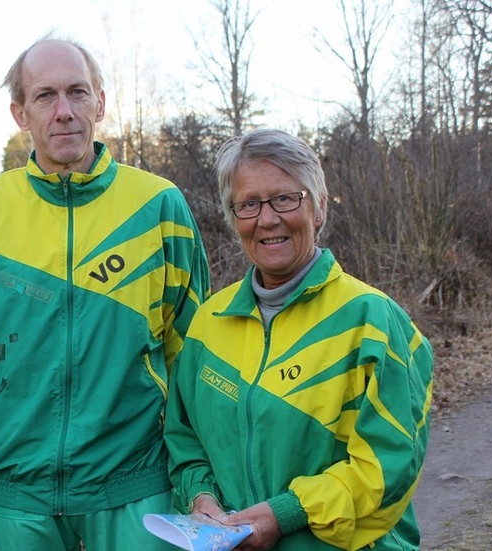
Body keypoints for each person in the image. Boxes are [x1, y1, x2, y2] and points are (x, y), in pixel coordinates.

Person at [0, 35, 211, 551]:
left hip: (136, 480)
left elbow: (191, 344)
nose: (64, 111)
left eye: (78, 93)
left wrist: (185, 459)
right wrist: (8, 427)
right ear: (20, 113)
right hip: (19, 488)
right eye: (45, 96)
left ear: (100, 103)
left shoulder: (158, 205)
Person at [164, 128, 434, 550]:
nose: (267, 219)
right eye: (248, 204)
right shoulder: (207, 324)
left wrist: (286, 514)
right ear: (233, 218)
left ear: (320, 207)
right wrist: (200, 498)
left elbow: (388, 467)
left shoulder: (374, 321)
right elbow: (185, 439)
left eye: (286, 198)